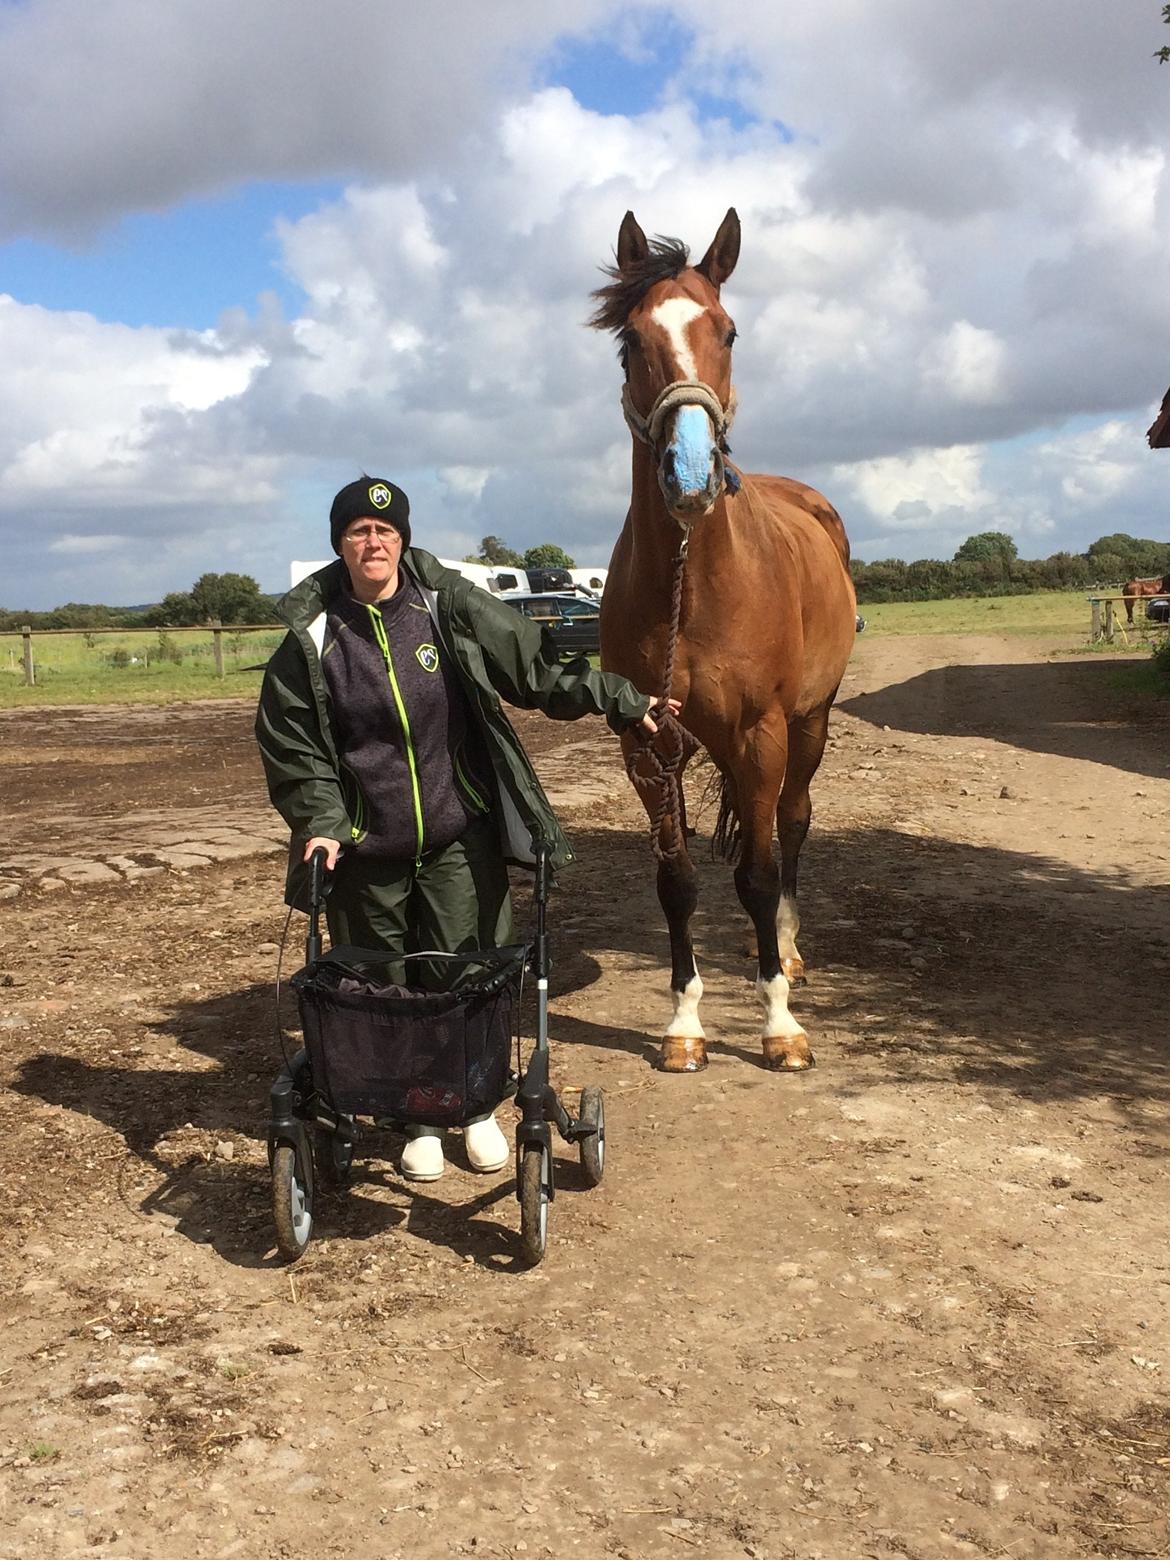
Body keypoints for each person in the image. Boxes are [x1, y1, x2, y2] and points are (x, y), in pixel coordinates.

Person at [256, 475, 674, 1183]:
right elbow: (293, 746)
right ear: (339, 544)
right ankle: (417, 1119)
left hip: (457, 838)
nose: (373, 542)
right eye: (358, 531)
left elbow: (536, 670)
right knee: (384, 990)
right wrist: (323, 824)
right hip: (366, 853)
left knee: (466, 975)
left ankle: (475, 1107)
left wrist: (622, 699)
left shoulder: (445, 606)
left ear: (402, 540)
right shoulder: (314, 637)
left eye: (385, 530)